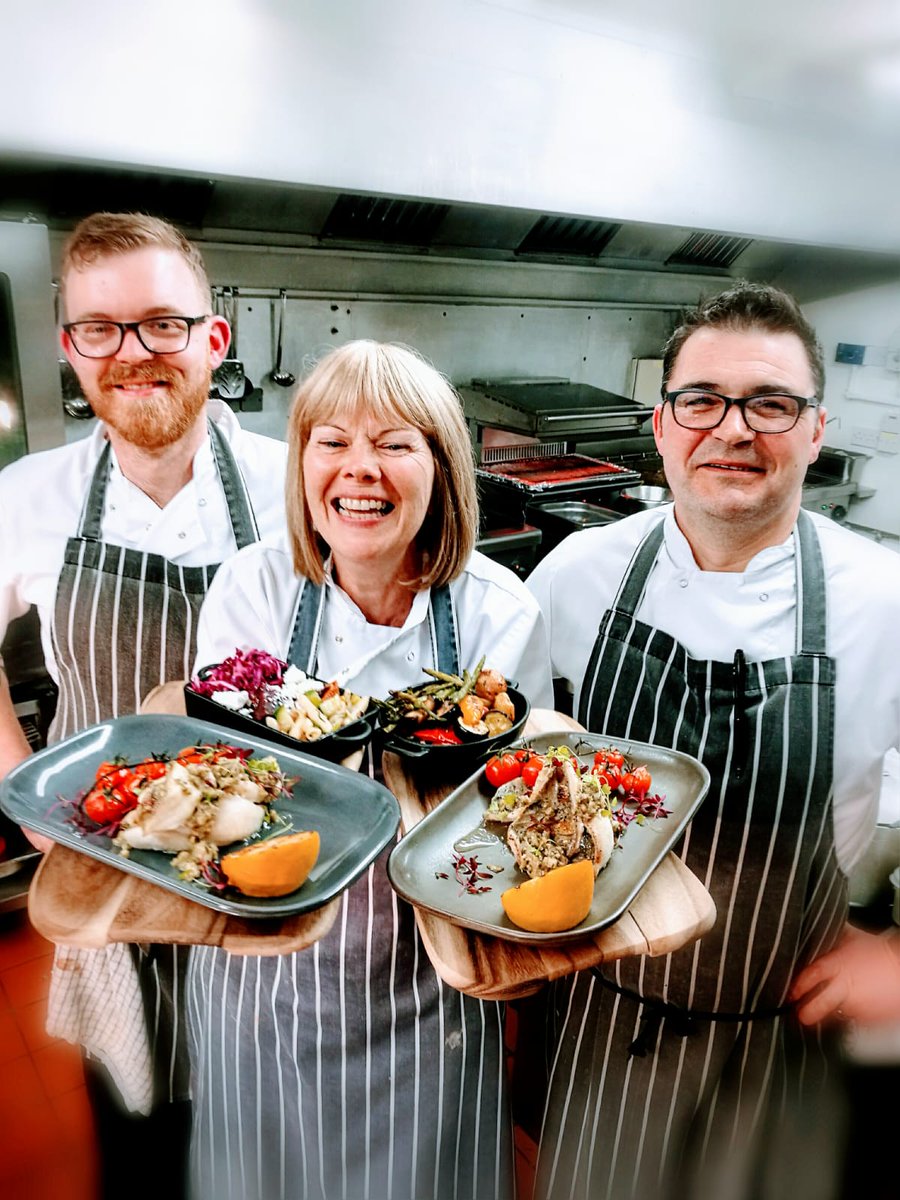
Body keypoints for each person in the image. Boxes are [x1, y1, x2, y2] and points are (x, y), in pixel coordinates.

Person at [525, 281, 900, 1200]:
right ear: (662, 425)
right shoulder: (579, 575)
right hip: (594, 1023)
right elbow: (516, 780)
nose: (733, 429)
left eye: (771, 403)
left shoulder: (883, 601)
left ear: (815, 431)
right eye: (702, 401)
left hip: (784, 1031)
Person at [186, 338, 554, 1200]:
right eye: (333, 441)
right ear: (303, 462)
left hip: (430, 976)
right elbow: (220, 785)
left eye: (396, 443)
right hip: (264, 970)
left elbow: (510, 809)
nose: (363, 470)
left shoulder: (501, 610)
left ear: (442, 467)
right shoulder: (253, 590)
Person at [0, 212, 289, 1196]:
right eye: (101, 329)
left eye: (164, 324)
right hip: (104, 874)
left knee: (272, 1127)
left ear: (214, 338)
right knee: (138, 1142)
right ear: (69, 348)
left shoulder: (297, 481)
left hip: (272, 880)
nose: (134, 355)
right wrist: (22, 793)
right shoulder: (26, 498)